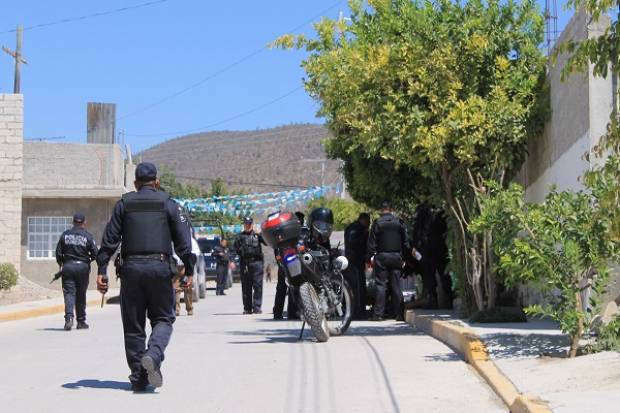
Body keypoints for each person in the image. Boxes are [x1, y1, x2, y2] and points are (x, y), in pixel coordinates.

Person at [95, 162, 195, 392]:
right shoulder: (169, 204)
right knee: (163, 319)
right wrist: (189, 269)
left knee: (133, 326)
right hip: (160, 268)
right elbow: (184, 242)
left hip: (131, 269)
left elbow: (109, 240)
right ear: (157, 182)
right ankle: (154, 354)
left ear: (135, 183)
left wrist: (102, 270)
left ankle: (139, 378)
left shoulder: (124, 204)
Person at [367, 201, 410, 321]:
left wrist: (368, 258)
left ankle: (378, 314)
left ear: (381, 210)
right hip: (396, 257)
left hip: (382, 257)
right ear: (391, 209)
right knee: (396, 285)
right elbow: (406, 242)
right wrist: (405, 259)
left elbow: (371, 244)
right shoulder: (399, 222)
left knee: (381, 285)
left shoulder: (377, 223)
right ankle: (400, 314)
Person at [55, 212, 98, 331]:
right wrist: (88, 261)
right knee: (81, 294)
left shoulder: (65, 235)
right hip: (82, 267)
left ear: (73, 222)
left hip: (68, 267)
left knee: (69, 293)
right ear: (84, 223)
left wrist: (61, 265)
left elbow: (58, 253)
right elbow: (95, 254)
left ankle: (69, 319)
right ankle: (81, 321)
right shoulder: (88, 236)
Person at [272, 211, 304, 320]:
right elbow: (277, 249)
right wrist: (279, 262)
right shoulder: (286, 232)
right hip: (284, 264)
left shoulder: (303, 233)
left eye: (301, 221)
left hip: (296, 265)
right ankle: (277, 312)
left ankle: (294, 313)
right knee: (281, 289)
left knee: (295, 289)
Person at [233, 217, 266, 314]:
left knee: (258, 285)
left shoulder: (258, 235)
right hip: (245, 263)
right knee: (246, 286)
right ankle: (247, 308)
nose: (248, 225)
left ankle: (257, 307)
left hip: (257, 263)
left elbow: (267, 242)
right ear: (244, 225)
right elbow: (233, 249)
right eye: (246, 224)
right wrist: (231, 260)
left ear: (252, 224)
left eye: (249, 223)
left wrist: (261, 233)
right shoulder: (239, 237)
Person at [344, 212, 371, 320]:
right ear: (363, 220)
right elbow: (353, 242)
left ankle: (356, 310)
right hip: (355, 262)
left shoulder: (353, 228)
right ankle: (358, 311)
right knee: (357, 287)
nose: (368, 224)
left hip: (355, 261)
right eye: (367, 221)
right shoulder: (357, 229)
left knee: (356, 286)